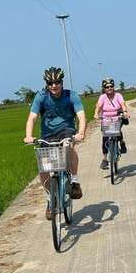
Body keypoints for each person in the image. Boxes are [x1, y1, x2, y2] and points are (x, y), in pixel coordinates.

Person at [24, 66, 86, 219]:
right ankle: (50, 199)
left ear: (62, 82)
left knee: (68, 146)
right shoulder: (41, 96)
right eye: (50, 83)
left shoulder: (71, 96)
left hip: (66, 130)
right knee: (44, 166)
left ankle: (74, 181)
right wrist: (28, 136)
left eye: (57, 82)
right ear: (46, 83)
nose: (54, 86)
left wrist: (81, 132)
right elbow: (32, 117)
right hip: (47, 135)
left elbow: (81, 115)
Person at [93, 78, 129, 169]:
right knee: (105, 138)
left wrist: (125, 112)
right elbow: (98, 106)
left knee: (117, 131)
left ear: (113, 87)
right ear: (104, 88)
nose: (109, 88)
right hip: (106, 119)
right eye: (107, 87)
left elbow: (123, 104)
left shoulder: (118, 95)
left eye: (111, 86)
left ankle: (122, 142)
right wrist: (96, 113)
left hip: (117, 117)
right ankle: (105, 159)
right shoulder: (103, 97)